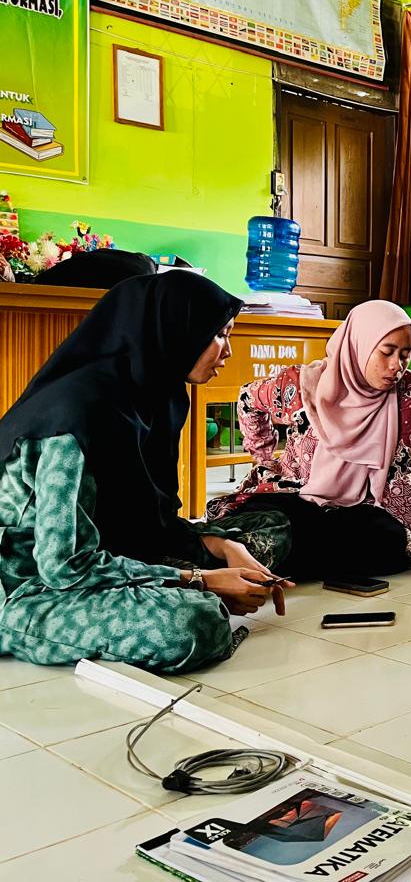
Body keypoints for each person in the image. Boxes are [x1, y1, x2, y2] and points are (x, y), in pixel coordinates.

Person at [0, 273, 291, 673]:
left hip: (113, 552)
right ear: (173, 330)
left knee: (274, 525)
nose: (227, 351)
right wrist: (199, 580)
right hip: (29, 588)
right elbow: (65, 566)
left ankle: (214, 577)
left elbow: (151, 521)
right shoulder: (74, 419)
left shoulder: (158, 396)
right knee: (194, 623)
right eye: (219, 335)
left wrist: (221, 546)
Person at [207, 300, 411, 580]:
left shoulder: (407, 388)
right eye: (387, 352)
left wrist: (410, 543)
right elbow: (247, 399)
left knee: (383, 536)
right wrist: (263, 457)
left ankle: (278, 559)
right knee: (279, 525)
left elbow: (399, 469)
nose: (395, 366)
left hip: (356, 509)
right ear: (358, 345)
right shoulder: (302, 385)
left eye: (405, 355)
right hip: (294, 499)